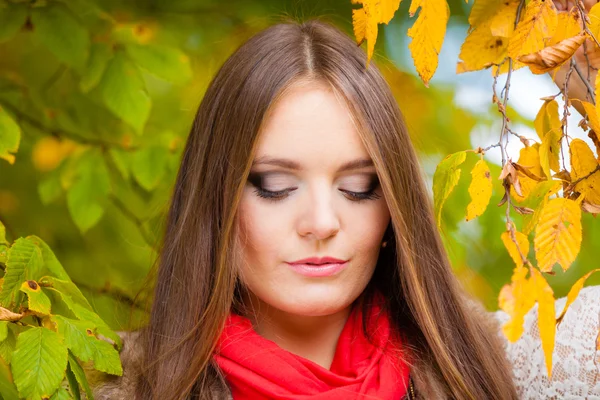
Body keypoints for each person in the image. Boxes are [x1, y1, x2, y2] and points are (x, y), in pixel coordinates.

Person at [89, 16, 600, 400]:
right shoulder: (109, 382)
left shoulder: (503, 361)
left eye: (358, 187)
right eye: (273, 185)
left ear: (394, 208)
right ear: (215, 200)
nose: (321, 223)